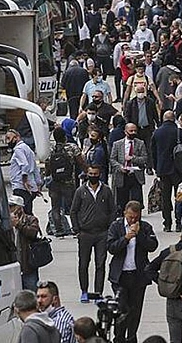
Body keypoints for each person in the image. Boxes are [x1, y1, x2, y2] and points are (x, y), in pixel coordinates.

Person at [107, 201, 159, 343]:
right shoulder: (116, 226)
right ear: (125, 213)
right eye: (130, 217)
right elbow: (111, 247)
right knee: (122, 309)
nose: (133, 220)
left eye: (136, 217)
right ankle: (118, 338)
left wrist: (138, 234)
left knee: (135, 311)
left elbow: (153, 245)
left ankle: (131, 338)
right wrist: (126, 238)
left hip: (138, 276)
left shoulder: (145, 227)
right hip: (121, 276)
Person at [71, 165, 117, 302]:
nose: (93, 176)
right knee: (83, 263)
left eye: (95, 173)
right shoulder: (80, 191)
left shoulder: (106, 191)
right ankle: (84, 291)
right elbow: (73, 211)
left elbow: (112, 210)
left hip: (102, 233)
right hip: (85, 233)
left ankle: (98, 292)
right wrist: (77, 229)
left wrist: (109, 228)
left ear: (100, 174)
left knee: (100, 264)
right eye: (90, 173)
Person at [151, 111, 182, 232]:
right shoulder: (180, 132)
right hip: (178, 169)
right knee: (179, 196)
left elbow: (153, 152)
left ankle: (167, 224)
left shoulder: (157, 132)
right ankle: (179, 222)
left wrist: (156, 167)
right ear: (174, 119)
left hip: (163, 169)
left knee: (165, 197)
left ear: (163, 119)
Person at [45, 128, 84, 237]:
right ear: (65, 137)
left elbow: (47, 168)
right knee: (73, 206)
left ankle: (59, 230)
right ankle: (76, 228)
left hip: (54, 183)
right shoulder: (72, 148)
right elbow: (81, 162)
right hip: (69, 182)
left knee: (55, 207)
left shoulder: (50, 149)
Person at [110, 123, 148, 212]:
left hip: (135, 175)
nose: (133, 132)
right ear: (125, 132)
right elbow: (112, 159)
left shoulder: (140, 143)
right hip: (122, 176)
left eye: (135, 130)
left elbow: (145, 158)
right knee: (122, 201)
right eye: (131, 131)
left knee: (136, 200)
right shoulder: (117, 144)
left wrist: (133, 158)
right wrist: (120, 167)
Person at [124, 85, 159, 174]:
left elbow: (155, 114)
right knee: (137, 148)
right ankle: (138, 165)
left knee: (149, 148)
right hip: (136, 130)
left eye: (142, 91)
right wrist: (128, 127)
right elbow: (127, 116)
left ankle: (149, 167)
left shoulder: (150, 102)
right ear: (135, 92)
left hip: (147, 128)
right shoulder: (131, 103)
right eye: (139, 92)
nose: (141, 93)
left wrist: (158, 124)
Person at [9, 195, 41, 289]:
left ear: (19, 208)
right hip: (13, 267)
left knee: (31, 291)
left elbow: (33, 233)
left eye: (12, 206)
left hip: (27, 266)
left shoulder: (30, 219)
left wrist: (18, 224)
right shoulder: (6, 223)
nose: (10, 209)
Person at [7, 129, 40, 215]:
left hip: (21, 187)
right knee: (27, 212)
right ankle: (33, 227)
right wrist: (38, 183)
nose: (7, 141)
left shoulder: (18, 149)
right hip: (29, 187)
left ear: (16, 138)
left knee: (21, 214)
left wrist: (24, 181)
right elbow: (35, 168)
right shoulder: (27, 148)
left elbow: (25, 165)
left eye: (9, 138)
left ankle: (31, 227)